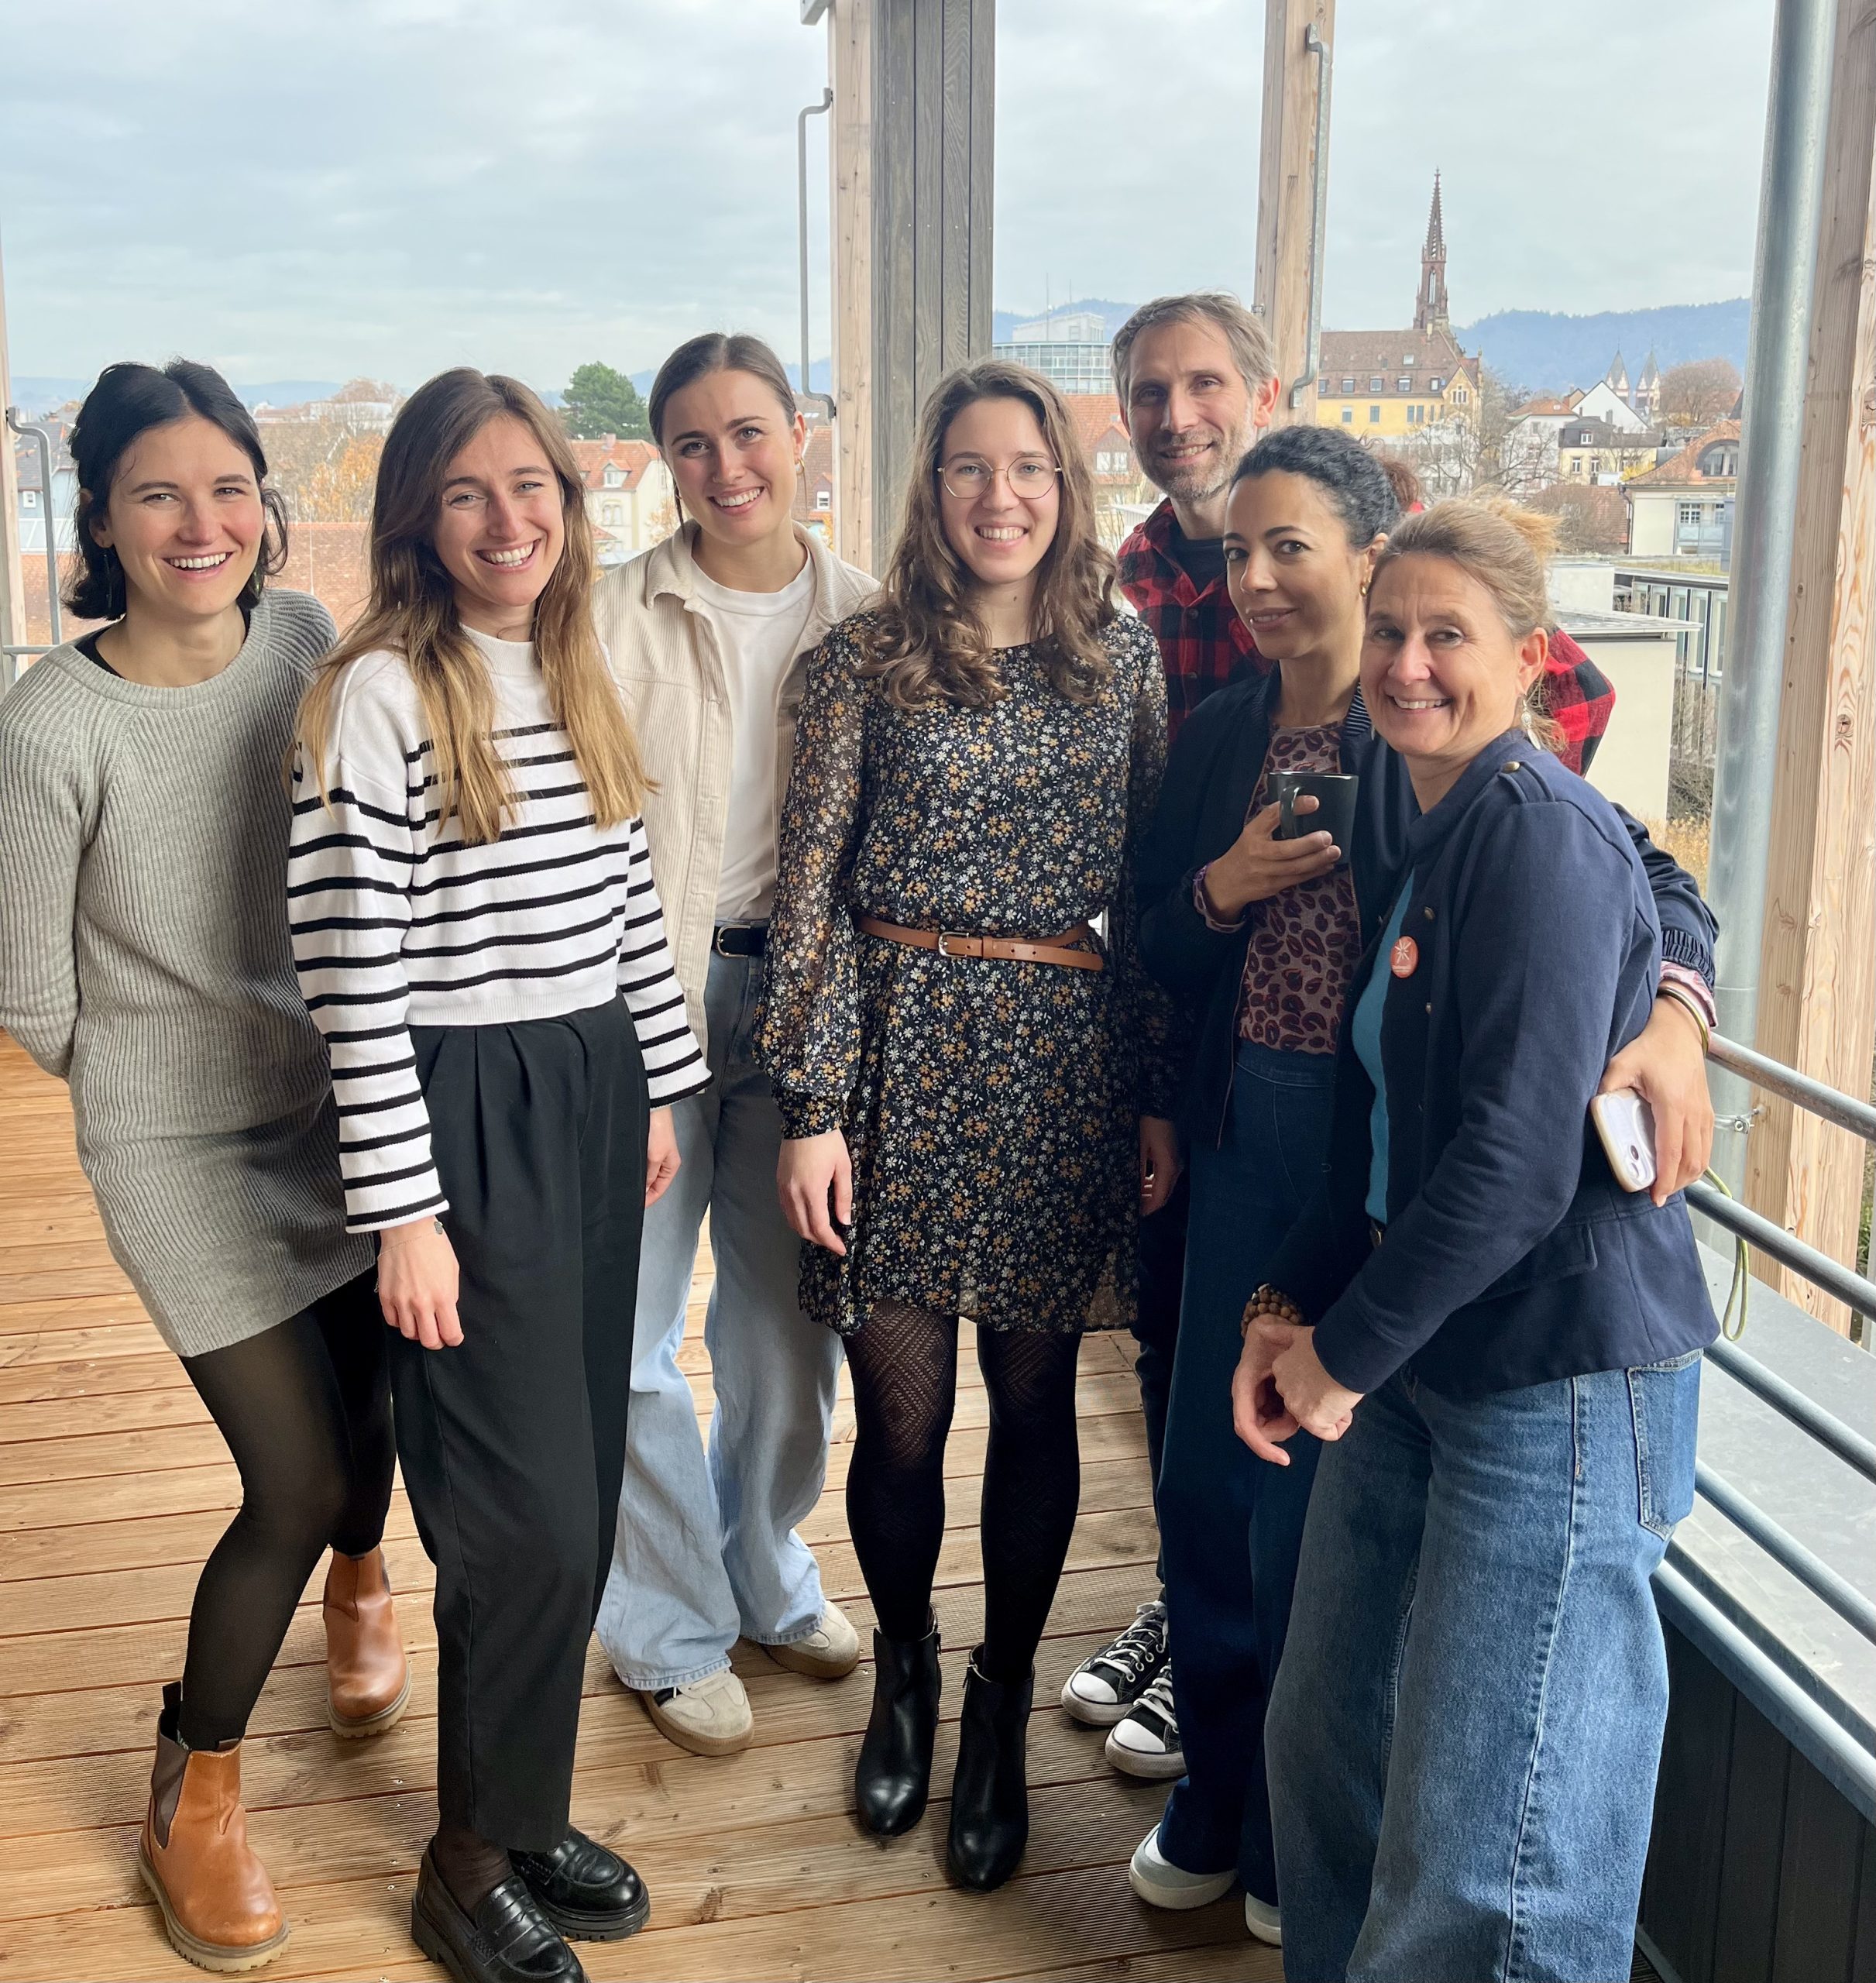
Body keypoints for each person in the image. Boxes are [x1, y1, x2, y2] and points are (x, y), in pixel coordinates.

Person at [1129, 428, 1717, 1947]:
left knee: (1495, 1832)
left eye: (1441, 638)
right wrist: (1286, 1300)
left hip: (1552, 1365)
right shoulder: (1400, 800)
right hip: (1419, 1334)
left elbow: (1514, 1164)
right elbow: (1370, 1109)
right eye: (1390, 632)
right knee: (1331, 1742)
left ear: (1527, 660)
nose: (1403, 665)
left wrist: (1675, 1012)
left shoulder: (1536, 832)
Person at [1062, 290, 1627, 1783]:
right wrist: (1215, 889)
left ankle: (1277, 1811)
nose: (1250, 574)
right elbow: (1155, 940)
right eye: (1237, 554)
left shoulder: (1434, 734)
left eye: (1285, 550)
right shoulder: (1208, 710)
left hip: (1380, 1135)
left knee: (1322, 1490)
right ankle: (1216, 1753)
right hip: (1246, 1112)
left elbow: (1621, 863)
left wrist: (1678, 1010)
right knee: (1205, 1453)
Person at [289, 369, 707, 1983]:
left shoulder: (566, 660)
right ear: (416, 515)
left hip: (588, 1086)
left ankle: (522, 1811)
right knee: (514, 1514)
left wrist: (657, 1082)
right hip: (459, 1115)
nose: (507, 516)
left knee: (582, 1473)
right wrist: (404, 1208)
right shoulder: (379, 693)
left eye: (530, 483)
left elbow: (619, 892)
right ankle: (462, 1863)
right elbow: (350, 972)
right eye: (467, 491)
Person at [0, 360, 407, 1974]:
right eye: (158, 492)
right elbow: (30, 990)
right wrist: (147, 1074)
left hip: (340, 1101)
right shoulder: (51, 719)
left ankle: (365, 1577)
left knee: (374, 1401)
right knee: (290, 1473)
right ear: (99, 513)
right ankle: (196, 1784)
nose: (201, 522)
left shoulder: (307, 642)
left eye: (228, 487)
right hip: (171, 1139)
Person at [754, 359, 1178, 1892]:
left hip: (1059, 1061)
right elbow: (804, 894)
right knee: (905, 1414)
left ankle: (998, 1701)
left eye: (1029, 468)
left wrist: (1145, 1087)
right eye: (966, 468)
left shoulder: (1120, 663)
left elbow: (1140, 900)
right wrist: (808, 1105)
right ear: (928, 489)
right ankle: (908, 1672)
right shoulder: (856, 661)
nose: (998, 494)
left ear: (1066, 490)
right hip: (893, 1056)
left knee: (1037, 1399)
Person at [590, 332, 874, 1757]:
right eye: (692, 443)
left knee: (784, 1323)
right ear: (663, 459)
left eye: (749, 432)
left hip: (804, 1004)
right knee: (631, 1328)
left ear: (801, 435)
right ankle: (661, 1616)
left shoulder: (872, 619)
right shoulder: (603, 616)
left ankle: (763, 1567)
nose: (726, 466)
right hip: (641, 994)